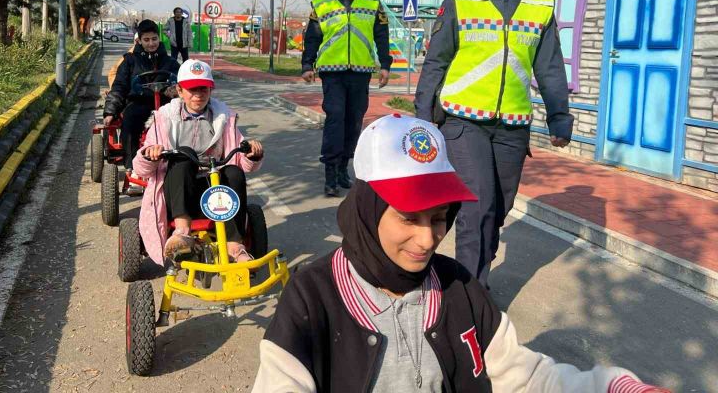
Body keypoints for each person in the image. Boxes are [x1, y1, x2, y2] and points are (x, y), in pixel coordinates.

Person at [252, 114, 670, 393]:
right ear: (367, 208)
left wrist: (611, 385)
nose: (428, 240)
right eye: (409, 218)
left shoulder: (459, 288)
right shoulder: (313, 297)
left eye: (439, 218)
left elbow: (525, 376)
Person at [414, 0, 573, 288]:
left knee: (498, 210)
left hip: (512, 127)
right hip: (463, 121)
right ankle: (471, 294)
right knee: (477, 206)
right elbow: (436, 60)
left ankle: (452, 276)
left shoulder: (540, 6)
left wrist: (559, 118)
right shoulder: (462, 0)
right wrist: (423, 118)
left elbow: (549, 68)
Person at [132, 60, 264, 263]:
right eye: (192, 89)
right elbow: (141, 167)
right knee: (183, 155)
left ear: (210, 90)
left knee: (234, 172)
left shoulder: (223, 118)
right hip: (178, 190)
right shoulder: (164, 119)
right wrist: (150, 154)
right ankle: (182, 232)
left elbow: (240, 154)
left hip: (213, 191)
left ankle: (234, 244)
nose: (198, 95)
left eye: (203, 89)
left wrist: (251, 154)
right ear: (180, 90)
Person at [302, 0, 392, 197]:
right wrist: (307, 64)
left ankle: (344, 168)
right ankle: (330, 173)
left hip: (361, 72)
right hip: (332, 72)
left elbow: (382, 36)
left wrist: (385, 65)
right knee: (336, 119)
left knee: (353, 122)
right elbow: (312, 36)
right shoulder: (322, 3)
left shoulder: (373, 1)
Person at [103, 19, 180, 172]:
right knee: (130, 120)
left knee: (179, 120)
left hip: (165, 103)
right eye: (146, 40)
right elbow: (119, 86)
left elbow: (183, 84)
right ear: (139, 40)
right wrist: (110, 111)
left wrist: (175, 90)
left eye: (154, 39)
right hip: (139, 101)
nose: (151, 43)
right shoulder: (130, 61)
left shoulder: (170, 62)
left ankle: (176, 163)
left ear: (159, 38)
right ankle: (132, 168)